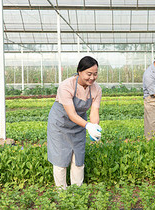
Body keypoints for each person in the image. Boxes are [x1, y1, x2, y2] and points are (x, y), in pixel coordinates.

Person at [47, 56, 102, 190]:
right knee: (60, 159)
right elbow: (71, 114)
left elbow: (94, 111)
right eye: (89, 74)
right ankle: (62, 192)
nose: (92, 78)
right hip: (60, 124)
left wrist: (94, 126)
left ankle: (77, 192)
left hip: (79, 125)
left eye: (95, 74)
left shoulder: (96, 89)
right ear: (79, 71)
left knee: (78, 158)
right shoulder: (66, 86)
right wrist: (88, 125)